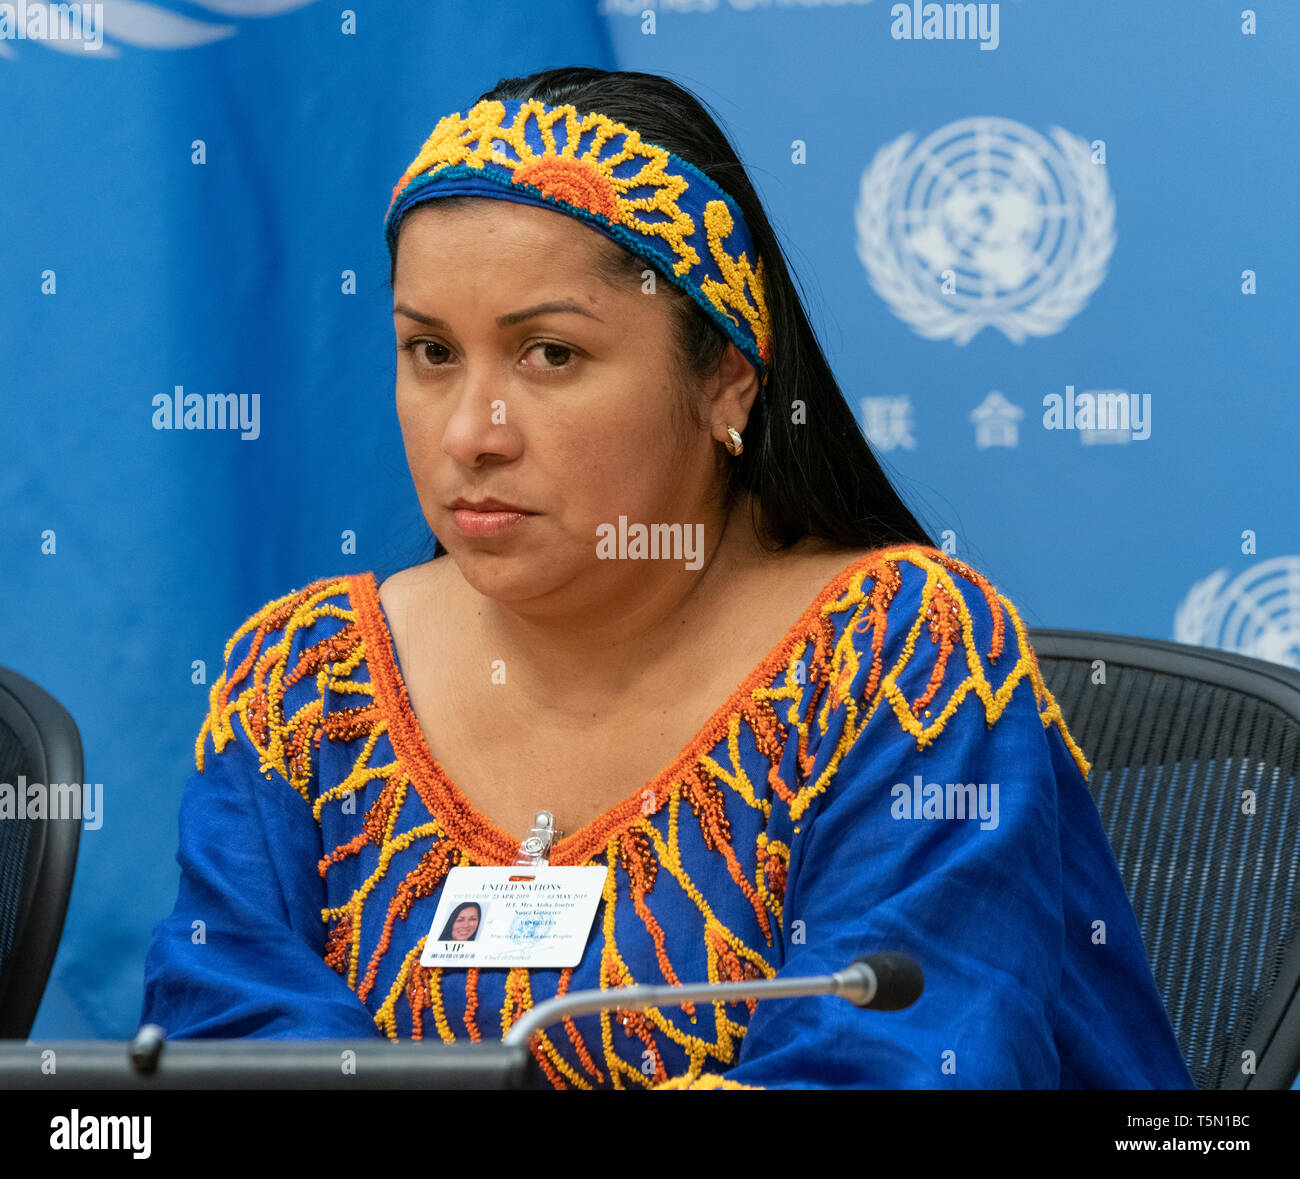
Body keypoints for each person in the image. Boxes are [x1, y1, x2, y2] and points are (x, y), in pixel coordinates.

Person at [140, 66, 1194, 1090]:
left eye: (550, 355)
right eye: (429, 353)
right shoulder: (307, 681)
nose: (471, 433)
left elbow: (898, 1061)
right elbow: (223, 1033)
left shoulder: (891, 655)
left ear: (728, 382)